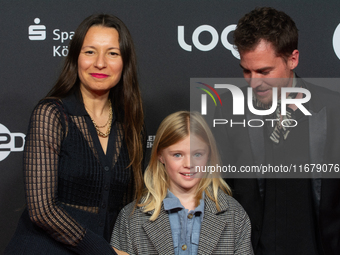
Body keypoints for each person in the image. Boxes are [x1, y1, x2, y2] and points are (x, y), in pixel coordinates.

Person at [5, 14, 145, 255]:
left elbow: (130, 206)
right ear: (75, 58)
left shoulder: (131, 125)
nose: (100, 63)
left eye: (112, 53)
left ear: (125, 62)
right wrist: (103, 251)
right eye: (90, 52)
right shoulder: (52, 114)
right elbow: (42, 210)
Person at [214, 7, 340, 255]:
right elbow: (218, 193)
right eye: (246, 71)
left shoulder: (333, 109)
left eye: (264, 71)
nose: (254, 81)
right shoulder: (227, 111)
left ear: (293, 59)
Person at [111, 111, 254, 255]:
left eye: (197, 154)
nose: (189, 164)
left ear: (209, 155)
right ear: (160, 156)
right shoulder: (131, 218)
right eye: (177, 155)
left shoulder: (234, 216)